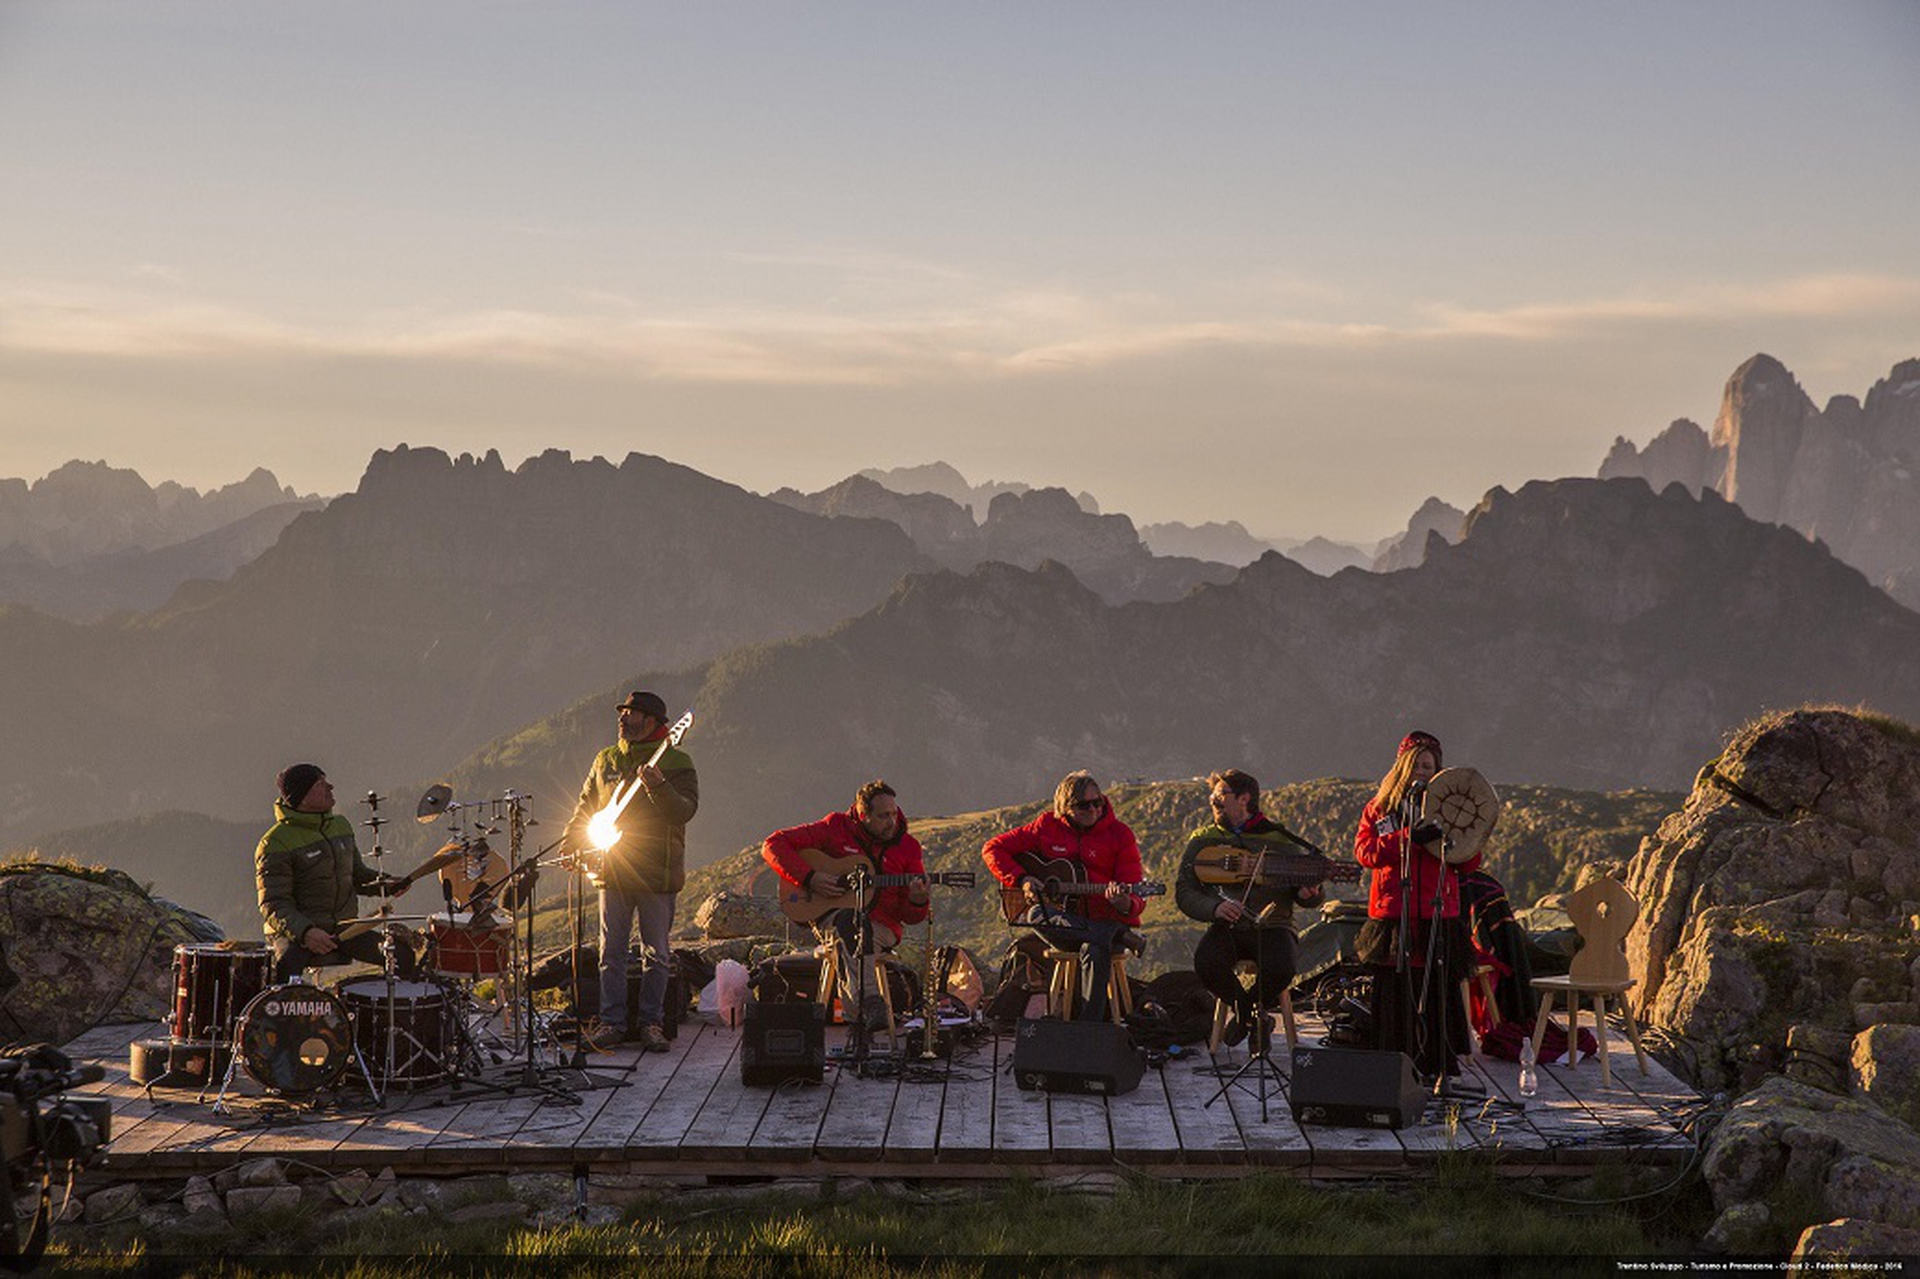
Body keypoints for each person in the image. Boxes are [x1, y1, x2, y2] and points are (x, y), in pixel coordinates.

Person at [565, 691, 698, 1053]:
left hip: (657, 872)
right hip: (612, 870)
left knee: (657, 954)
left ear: (654, 721)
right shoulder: (606, 759)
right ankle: (612, 1023)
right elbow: (587, 805)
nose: (623, 718)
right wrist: (570, 842)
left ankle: (651, 1023)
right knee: (612, 954)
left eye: (633, 713)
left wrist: (659, 786)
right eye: (623, 712)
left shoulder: (676, 761)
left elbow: (684, 811)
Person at [1352, 730, 1481, 1079]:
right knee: (1397, 988)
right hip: (1396, 912)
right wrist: (1408, 838)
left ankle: (1437, 1062)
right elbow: (1365, 853)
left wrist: (1458, 842)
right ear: (1403, 768)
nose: (1422, 772)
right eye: (1417, 765)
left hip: (1439, 911)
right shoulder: (1379, 808)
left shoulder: (1451, 809)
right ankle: (1395, 1063)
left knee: (1437, 986)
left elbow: (1469, 863)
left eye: (1429, 766)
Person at [761, 780, 929, 1029]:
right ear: (863, 815)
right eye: (883, 816)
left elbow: (912, 916)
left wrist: (918, 900)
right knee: (849, 923)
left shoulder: (908, 847)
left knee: (852, 935)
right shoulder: (835, 827)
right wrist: (810, 878)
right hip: (831, 916)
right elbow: (773, 844)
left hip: (883, 925)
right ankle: (870, 1003)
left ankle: (860, 1015)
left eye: (894, 814)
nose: (892, 822)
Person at [1174, 769, 1322, 1050]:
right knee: (1206, 963)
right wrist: (1215, 908)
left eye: (1220, 795)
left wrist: (1309, 894)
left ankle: (1247, 1015)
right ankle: (1254, 1016)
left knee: (1282, 967)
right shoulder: (1203, 840)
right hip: (1227, 927)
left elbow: (1308, 893)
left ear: (1244, 798)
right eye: (1213, 794)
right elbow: (1184, 890)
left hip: (1274, 926)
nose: (1212, 800)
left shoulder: (1279, 839)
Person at [981, 770, 1144, 1022]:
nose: (1093, 809)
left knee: (1095, 948)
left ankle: (1088, 1026)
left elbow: (1135, 895)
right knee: (1035, 913)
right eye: (1083, 805)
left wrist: (1125, 902)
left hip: (1105, 922)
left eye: (1097, 802)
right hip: (1065, 927)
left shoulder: (1119, 835)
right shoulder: (1046, 827)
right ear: (1065, 807)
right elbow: (993, 849)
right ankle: (1110, 934)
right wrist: (1022, 879)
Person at [256, 763, 419, 982]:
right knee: (286, 969)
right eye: (321, 784)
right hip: (295, 933)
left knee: (402, 956)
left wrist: (385, 884)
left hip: (344, 929)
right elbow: (274, 904)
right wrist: (306, 933)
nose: (330, 787)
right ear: (303, 797)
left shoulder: (340, 826)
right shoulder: (275, 843)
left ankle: (392, 1014)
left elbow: (357, 876)